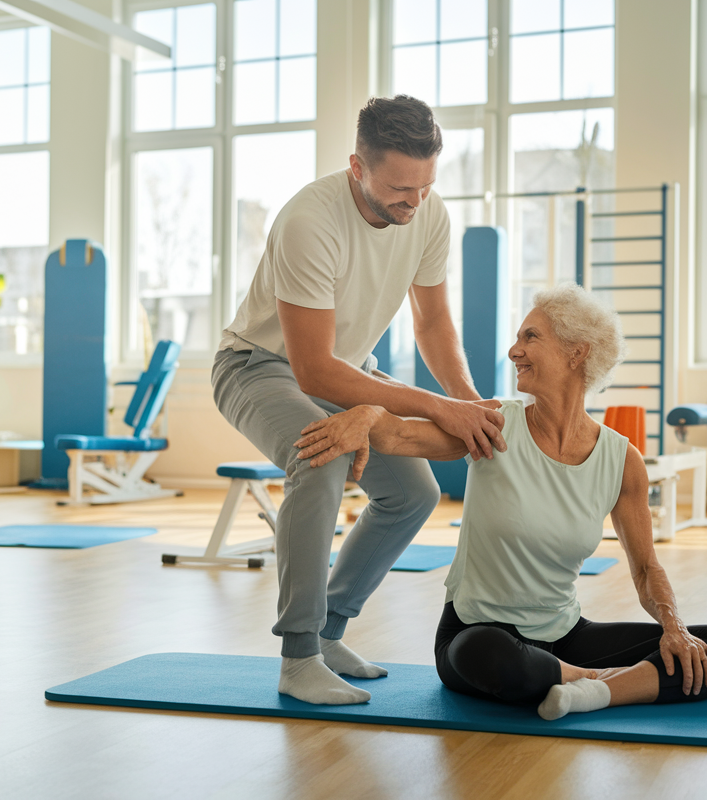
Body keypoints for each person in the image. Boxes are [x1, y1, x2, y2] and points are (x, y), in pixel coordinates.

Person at [294, 284, 707, 720]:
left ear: (577, 353)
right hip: (477, 634)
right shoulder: (494, 424)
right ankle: (604, 685)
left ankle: (593, 689)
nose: (514, 350)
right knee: (495, 660)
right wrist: (367, 414)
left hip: (566, 636)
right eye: (517, 338)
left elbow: (645, 569)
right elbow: (399, 433)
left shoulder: (622, 460)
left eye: (530, 337)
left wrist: (674, 627)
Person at [212, 95, 507, 706]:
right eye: (400, 187)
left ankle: (331, 630)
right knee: (318, 461)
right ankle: (299, 656)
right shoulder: (309, 221)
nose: (414, 200)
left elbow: (433, 325)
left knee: (413, 493)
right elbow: (314, 369)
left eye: (424, 185)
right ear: (357, 167)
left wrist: (470, 404)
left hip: (348, 371)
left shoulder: (428, 214)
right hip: (258, 368)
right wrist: (433, 406)